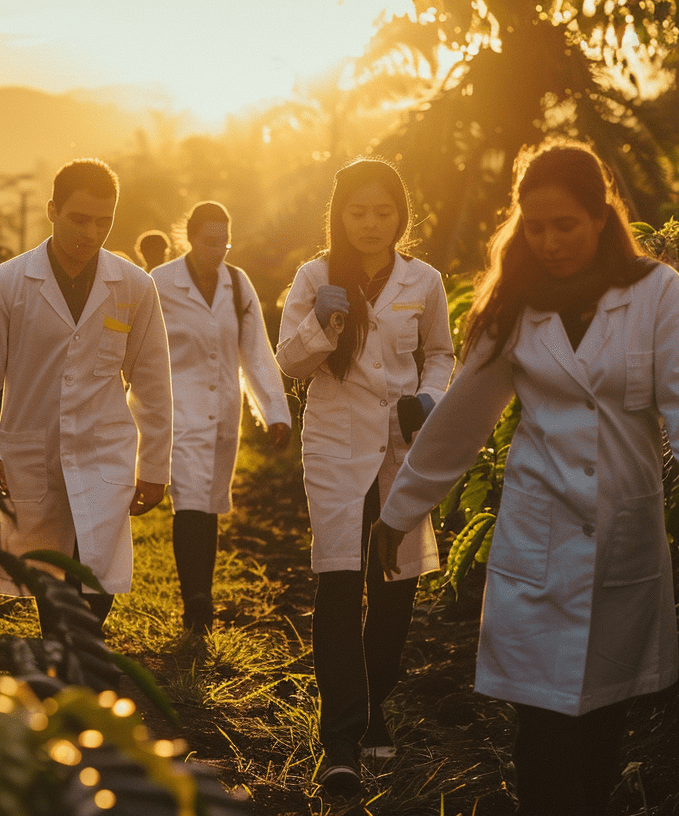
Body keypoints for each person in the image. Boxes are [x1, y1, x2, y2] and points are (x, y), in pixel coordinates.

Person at [372, 139, 679, 815]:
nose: (549, 241)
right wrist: (399, 513)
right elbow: (460, 421)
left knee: (601, 732)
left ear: (602, 218)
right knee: (540, 737)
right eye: (534, 226)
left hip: (623, 543)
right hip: (537, 541)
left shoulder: (657, 295)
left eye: (564, 225)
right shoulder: (517, 303)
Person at [275, 158, 455, 795]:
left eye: (384, 212)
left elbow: (440, 354)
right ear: (339, 216)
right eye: (358, 212)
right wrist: (321, 325)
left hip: (401, 449)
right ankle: (343, 737)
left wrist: (431, 398)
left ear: (401, 216)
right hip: (334, 445)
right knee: (338, 583)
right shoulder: (315, 277)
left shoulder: (423, 280)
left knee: (395, 588)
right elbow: (289, 365)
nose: (371, 224)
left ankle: (379, 700)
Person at [0, 158, 173, 630]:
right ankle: (67, 683)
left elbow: (152, 382)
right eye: (79, 218)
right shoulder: (6, 283)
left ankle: (72, 673)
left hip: (104, 450)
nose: (92, 232)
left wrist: (155, 468)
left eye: (104, 221)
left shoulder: (134, 286)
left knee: (96, 582)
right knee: (51, 584)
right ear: (52, 210)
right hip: (33, 453)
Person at [150, 202, 291, 633]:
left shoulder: (236, 282)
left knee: (209, 505)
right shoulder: (160, 283)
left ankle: (200, 598)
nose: (218, 251)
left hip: (223, 413)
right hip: (178, 412)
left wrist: (275, 412)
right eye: (210, 242)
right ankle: (198, 605)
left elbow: (255, 350)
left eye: (224, 243)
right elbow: (138, 351)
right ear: (189, 237)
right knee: (189, 502)